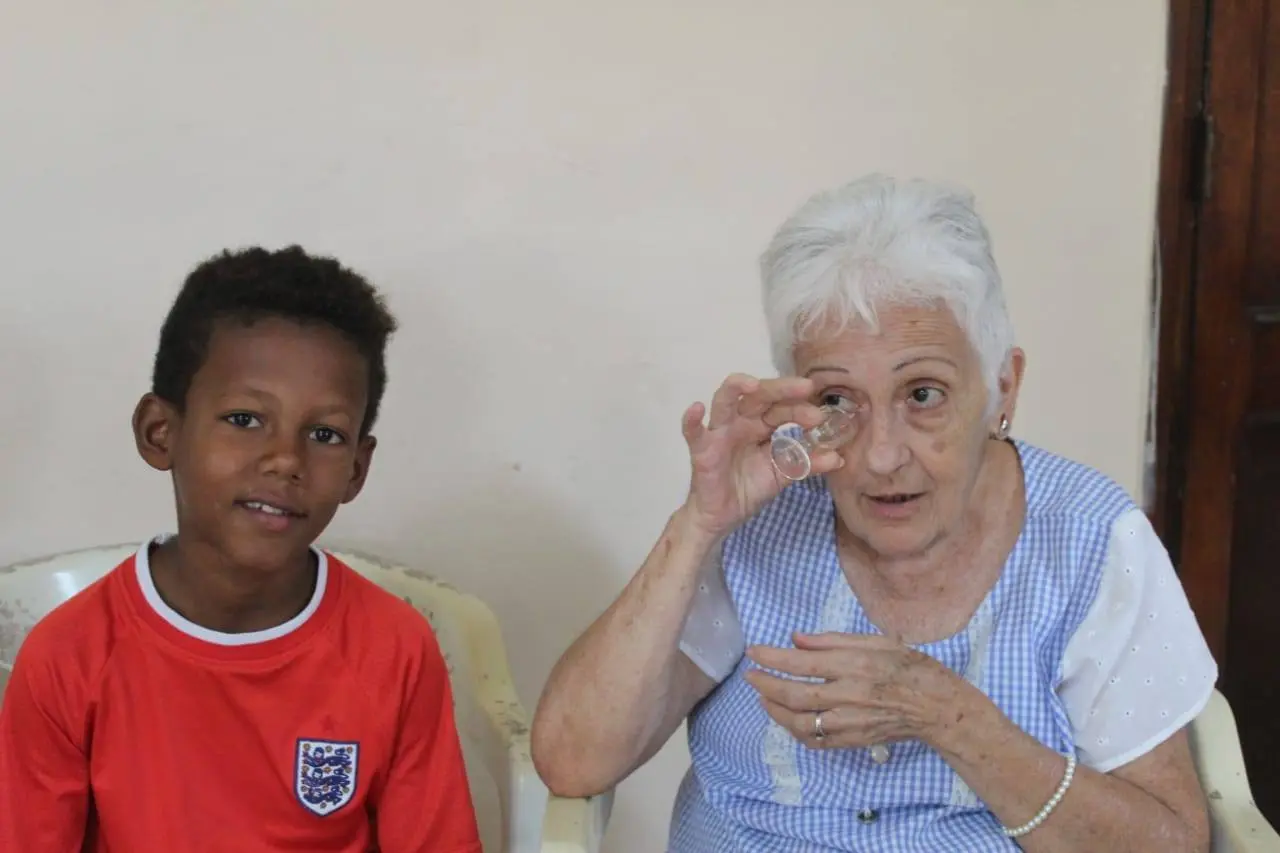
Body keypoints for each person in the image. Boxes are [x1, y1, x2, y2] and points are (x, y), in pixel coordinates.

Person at [531, 175, 1217, 852]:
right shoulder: (764, 514)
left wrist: (946, 713)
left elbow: (1168, 843)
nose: (882, 456)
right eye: (837, 401)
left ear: (1002, 388)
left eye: (923, 394)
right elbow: (573, 760)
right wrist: (698, 525)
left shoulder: (1089, 538)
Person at [0, 247, 482, 852]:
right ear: (161, 432)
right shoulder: (68, 657)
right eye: (245, 419)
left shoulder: (396, 649)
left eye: (325, 434)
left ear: (357, 469)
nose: (285, 459)